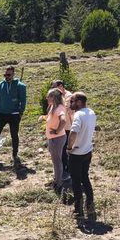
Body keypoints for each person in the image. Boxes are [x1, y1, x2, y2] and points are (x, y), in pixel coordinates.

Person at [67, 92, 97, 222]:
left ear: (79, 102)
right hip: (87, 151)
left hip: (77, 153)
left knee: (76, 181)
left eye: (72, 101)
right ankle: (90, 205)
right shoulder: (91, 112)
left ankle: (78, 210)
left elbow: (73, 132)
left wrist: (69, 148)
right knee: (85, 178)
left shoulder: (78, 115)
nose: (70, 104)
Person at [0, 66, 27, 164]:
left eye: (9, 74)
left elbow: (23, 100)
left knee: (14, 135)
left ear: (13, 74)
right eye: (5, 74)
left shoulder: (20, 86)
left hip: (14, 114)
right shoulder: (0, 85)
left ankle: (15, 154)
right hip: (1, 113)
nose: (7, 76)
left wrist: (20, 112)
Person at [39, 89, 67, 194]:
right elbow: (52, 118)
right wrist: (44, 117)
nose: (47, 98)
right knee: (56, 161)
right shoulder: (54, 107)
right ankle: (56, 180)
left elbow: (63, 120)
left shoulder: (59, 108)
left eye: (48, 96)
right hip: (54, 138)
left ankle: (58, 184)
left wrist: (57, 131)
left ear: (53, 97)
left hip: (57, 139)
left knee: (57, 162)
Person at [52, 80, 74, 177]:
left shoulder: (68, 96)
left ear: (61, 86)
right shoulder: (58, 96)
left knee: (65, 148)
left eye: (54, 87)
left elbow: (64, 108)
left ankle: (67, 168)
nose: (53, 90)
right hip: (61, 126)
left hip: (67, 126)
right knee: (61, 149)